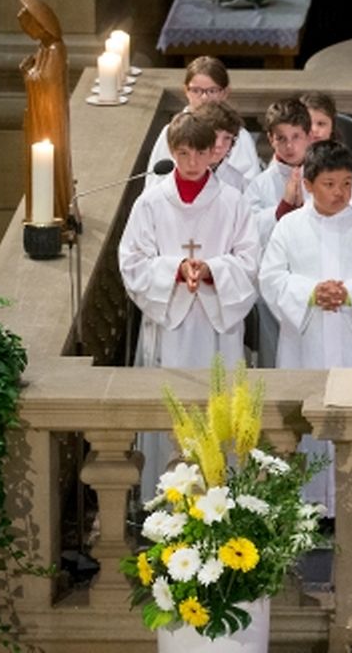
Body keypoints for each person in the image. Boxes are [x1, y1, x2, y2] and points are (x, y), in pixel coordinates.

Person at [118, 109, 260, 496]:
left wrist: (212, 270)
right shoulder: (150, 204)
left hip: (218, 327)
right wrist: (176, 270)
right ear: (172, 151)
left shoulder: (233, 202)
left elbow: (250, 262)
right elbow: (131, 263)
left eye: (199, 153)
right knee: (170, 417)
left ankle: (223, 502)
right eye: (183, 154)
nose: (192, 162)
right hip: (170, 325)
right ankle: (164, 505)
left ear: (213, 153)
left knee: (220, 411)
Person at [258, 140, 352, 516]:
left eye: (348, 184)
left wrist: (349, 293)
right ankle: (306, 502)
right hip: (305, 343)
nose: (340, 193)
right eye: (330, 184)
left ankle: (349, 502)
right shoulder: (289, 227)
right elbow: (271, 278)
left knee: (350, 415)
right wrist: (310, 293)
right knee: (305, 417)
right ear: (308, 183)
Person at [146, 56, 261, 190]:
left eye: (212, 91)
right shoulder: (171, 132)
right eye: (196, 91)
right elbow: (154, 184)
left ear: (225, 92)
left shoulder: (239, 135)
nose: (204, 97)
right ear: (186, 91)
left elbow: (251, 187)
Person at [18, 0, 74, 224]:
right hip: (40, 116)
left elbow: (47, 81)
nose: (28, 32)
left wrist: (29, 73)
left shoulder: (55, 49)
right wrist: (30, 71)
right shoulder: (44, 48)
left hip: (49, 119)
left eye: (29, 26)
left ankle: (55, 209)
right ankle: (42, 210)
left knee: (51, 164)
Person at [245, 98, 314, 247]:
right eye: (281, 138)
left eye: (296, 137)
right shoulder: (259, 185)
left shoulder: (327, 175)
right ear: (271, 139)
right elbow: (247, 232)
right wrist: (283, 208)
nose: (289, 146)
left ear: (309, 136)